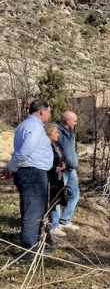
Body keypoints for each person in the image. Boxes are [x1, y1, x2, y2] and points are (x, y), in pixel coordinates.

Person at [1, 99, 53, 254]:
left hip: (28, 172)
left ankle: (30, 243)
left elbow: (17, 150)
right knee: (32, 211)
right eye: (49, 111)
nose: (50, 115)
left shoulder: (23, 125)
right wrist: (12, 167)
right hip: (33, 173)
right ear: (42, 111)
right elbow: (25, 151)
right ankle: (28, 250)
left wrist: (12, 168)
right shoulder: (35, 127)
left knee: (30, 209)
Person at [49, 111, 80, 236]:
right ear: (67, 120)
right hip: (61, 169)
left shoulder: (70, 131)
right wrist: (58, 164)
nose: (76, 123)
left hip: (71, 170)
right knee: (57, 196)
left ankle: (64, 220)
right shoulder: (55, 130)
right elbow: (52, 149)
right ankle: (53, 225)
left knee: (75, 194)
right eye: (75, 121)